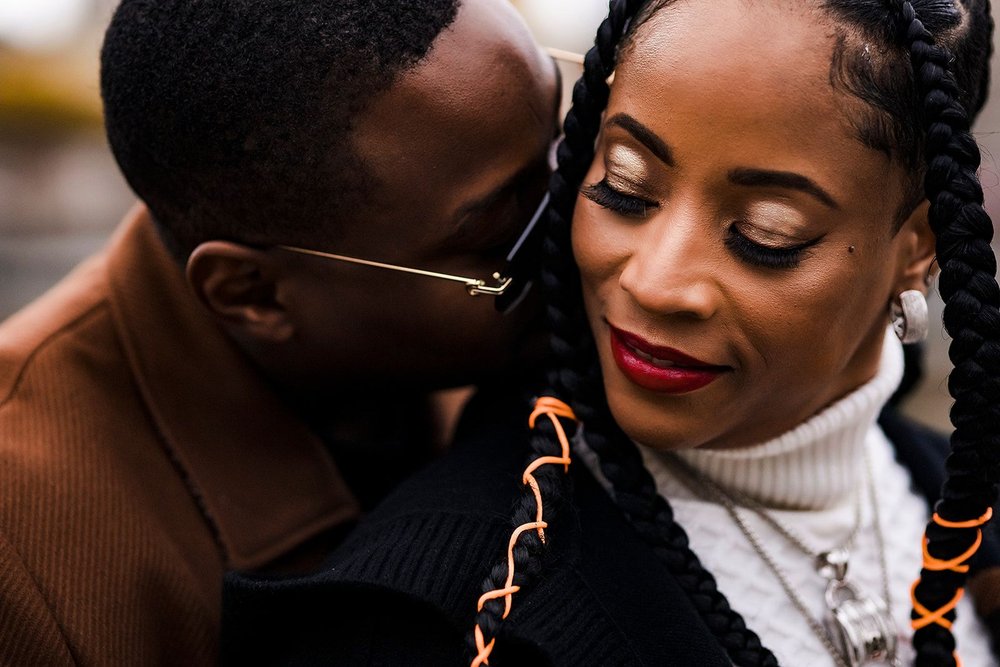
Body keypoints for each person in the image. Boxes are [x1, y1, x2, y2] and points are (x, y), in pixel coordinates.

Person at [221, 0, 1000, 665]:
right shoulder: (435, 612)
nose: (654, 283)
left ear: (919, 247)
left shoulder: (961, 502)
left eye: (766, 232)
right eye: (625, 185)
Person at [0, 0, 561, 664]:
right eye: (505, 235)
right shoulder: (27, 565)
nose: (587, 229)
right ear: (253, 293)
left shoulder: (487, 323)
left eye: (574, 144)